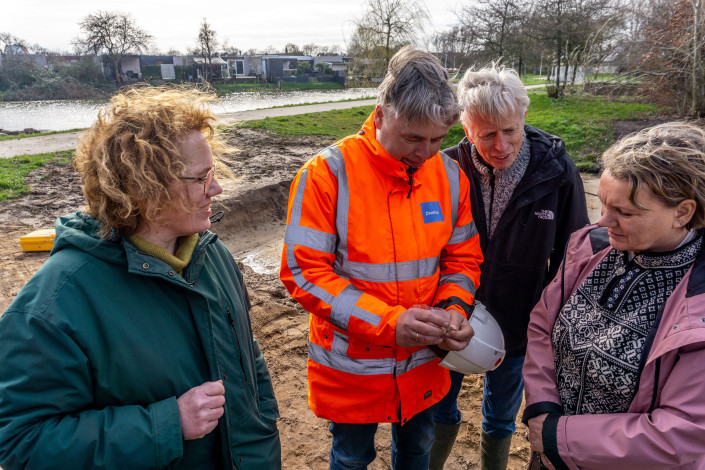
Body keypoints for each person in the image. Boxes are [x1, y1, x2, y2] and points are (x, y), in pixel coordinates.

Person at [0, 86, 281, 469]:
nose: (215, 188)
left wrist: (263, 421)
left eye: (212, 172)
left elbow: (246, 354)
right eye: (200, 178)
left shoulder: (211, 253)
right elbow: (22, 443)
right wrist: (166, 425)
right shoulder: (53, 305)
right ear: (142, 189)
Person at [279, 46, 483, 469]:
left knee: (417, 451)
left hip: (425, 361)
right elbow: (303, 272)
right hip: (354, 369)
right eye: (412, 138)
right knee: (352, 458)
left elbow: (462, 259)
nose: (425, 152)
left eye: (436, 139)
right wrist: (389, 323)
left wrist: (454, 309)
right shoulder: (327, 174)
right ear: (381, 113)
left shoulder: (448, 176)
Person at [430, 64, 589, 470]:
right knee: (438, 407)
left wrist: (550, 320)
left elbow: (575, 252)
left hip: (521, 321)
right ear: (466, 129)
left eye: (510, 130)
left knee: (501, 416)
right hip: (451, 314)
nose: (500, 145)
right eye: (486, 134)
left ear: (523, 119)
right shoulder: (444, 170)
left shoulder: (556, 172)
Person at [522, 121, 705, 469]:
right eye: (604, 204)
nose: (604, 220)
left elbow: (685, 431)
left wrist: (558, 438)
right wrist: (543, 407)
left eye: (625, 212)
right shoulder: (591, 247)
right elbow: (543, 326)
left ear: (682, 212)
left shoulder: (698, 303)